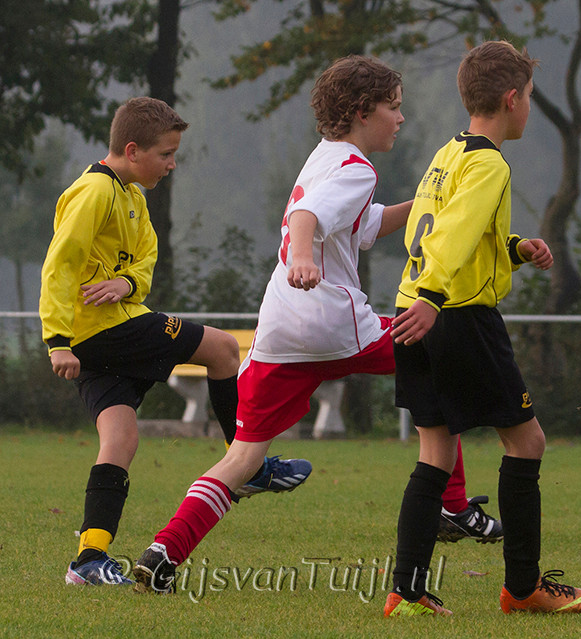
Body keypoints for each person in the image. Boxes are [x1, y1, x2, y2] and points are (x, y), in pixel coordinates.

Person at [132, 56, 499, 594]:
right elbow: (307, 219)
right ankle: (452, 506)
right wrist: (303, 256)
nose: (401, 118)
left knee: (242, 457)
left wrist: (427, 204)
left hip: (281, 328)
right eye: (393, 107)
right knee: (435, 354)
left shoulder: (325, 157)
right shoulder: (357, 168)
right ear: (361, 111)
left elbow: (363, 224)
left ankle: (163, 554)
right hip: (330, 322)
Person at [384, 40, 581, 617]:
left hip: (412, 308)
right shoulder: (490, 164)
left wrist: (513, 248)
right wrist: (435, 297)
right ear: (511, 99)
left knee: (435, 453)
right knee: (526, 442)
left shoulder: (448, 153)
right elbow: (453, 235)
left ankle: (406, 593)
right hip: (455, 314)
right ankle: (524, 587)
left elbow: (436, 230)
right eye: (527, 96)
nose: (528, 107)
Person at [39, 97, 288, 587]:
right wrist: (57, 340)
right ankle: (246, 464)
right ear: (133, 150)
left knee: (120, 440)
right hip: (103, 329)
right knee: (223, 349)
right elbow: (59, 265)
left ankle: (89, 559)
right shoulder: (94, 192)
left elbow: (145, 261)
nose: (172, 164)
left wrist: (126, 282)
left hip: (105, 332)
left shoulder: (132, 196)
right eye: (166, 154)